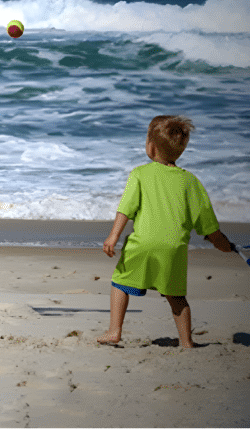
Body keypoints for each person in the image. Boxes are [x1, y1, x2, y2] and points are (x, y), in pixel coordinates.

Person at [98, 115, 234, 348]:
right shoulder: (191, 182)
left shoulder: (140, 173)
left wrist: (113, 236)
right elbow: (208, 225)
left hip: (142, 244)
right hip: (173, 249)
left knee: (120, 283)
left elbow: (125, 209)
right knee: (176, 297)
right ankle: (186, 341)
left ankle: (114, 331)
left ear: (150, 145)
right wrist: (223, 244)